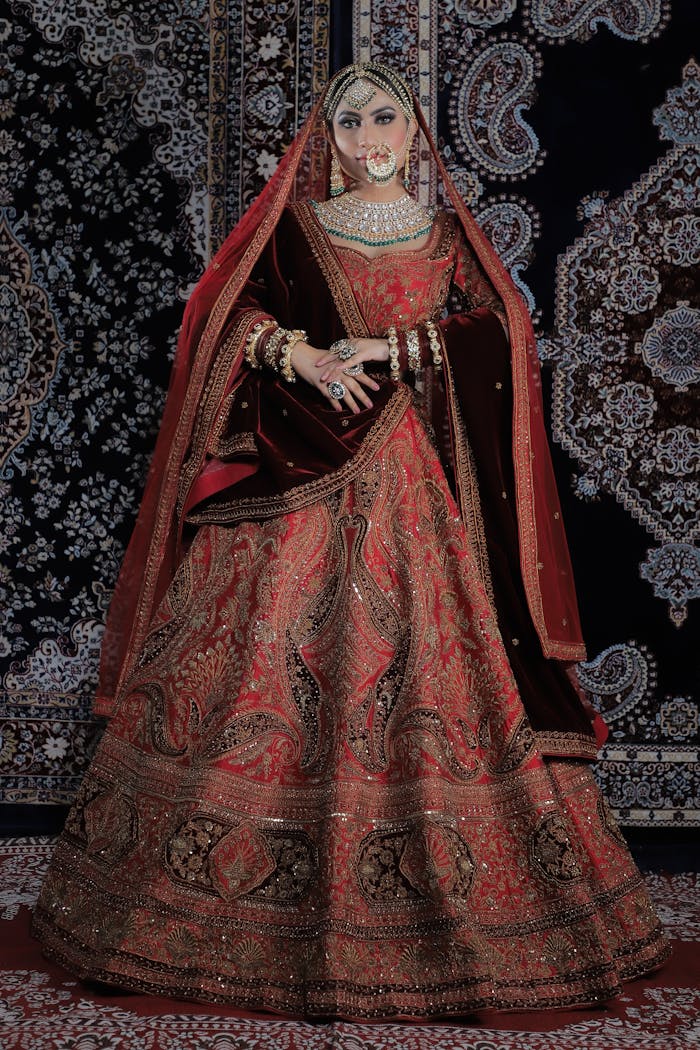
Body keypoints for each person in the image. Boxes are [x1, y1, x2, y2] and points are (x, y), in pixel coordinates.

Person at [32, 61, 668, 1018]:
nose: (369, 137)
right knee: (259, 661)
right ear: (326, 141)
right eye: (349, 123)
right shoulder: (297, 230)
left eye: (385, 118)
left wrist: (391, 349)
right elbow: (226, 315)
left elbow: (500, 334)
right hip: (301, 463)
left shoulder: (450, 237)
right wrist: (300, 352)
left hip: (418, 483)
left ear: (415, 133)